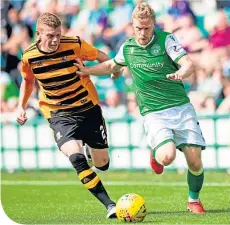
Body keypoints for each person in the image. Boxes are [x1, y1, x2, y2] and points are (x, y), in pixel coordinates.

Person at [75, 3, 206, 214]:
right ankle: (157, 151)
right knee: (167, 157)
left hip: (181, 107)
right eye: (138, 28)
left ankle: (193, 200)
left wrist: (182, 72)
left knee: (195, 161)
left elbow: (188, 64)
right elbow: (111, 65)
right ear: (132, 26)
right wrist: (86, 71)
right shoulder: (127, 48)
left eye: (146, 28)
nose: (142, 33)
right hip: (154, 112)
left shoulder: (166, 40)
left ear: (154, 24)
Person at [16, 12, 121, 219]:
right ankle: (110, 205)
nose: (55, 40)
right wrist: (21, 106)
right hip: (58, 113)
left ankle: (94, 153)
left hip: (87, 108)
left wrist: (114, 70)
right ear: (38, 34)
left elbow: (99, 55)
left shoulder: (74, 44)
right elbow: (28, 81)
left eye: (57, 34)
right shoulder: (29, 57)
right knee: (76, 158)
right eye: (50, 36)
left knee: (103, 164)